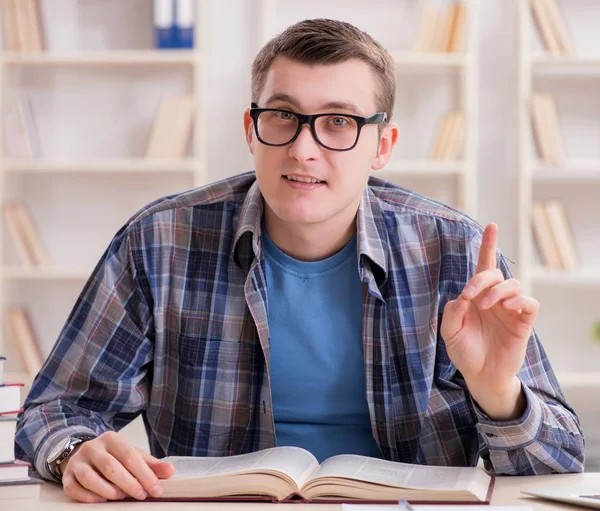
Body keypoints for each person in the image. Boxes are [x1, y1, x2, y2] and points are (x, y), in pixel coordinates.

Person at [15, 18, 584, 504]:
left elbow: (559, 464)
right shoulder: (159, 241)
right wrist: (74, 452)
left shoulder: (457, 254)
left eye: (339, 121)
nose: (303, 148)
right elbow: (54, 410)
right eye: (282, 116)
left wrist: (498, 395)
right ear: (251, 129)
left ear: (382, 146)